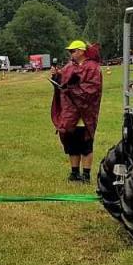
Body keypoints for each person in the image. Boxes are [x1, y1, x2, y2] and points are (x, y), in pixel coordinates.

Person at [50, 41, 103, 182]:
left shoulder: (93, 68)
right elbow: (63, 82)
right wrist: (56, 76)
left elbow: (92, 89)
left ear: (81, 51)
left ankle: (86, 174)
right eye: (70, 52)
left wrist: (72, 89)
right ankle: (74, 173)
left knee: (85, 144)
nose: (71, 54)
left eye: (73, 51)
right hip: (70, 112)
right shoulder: (69, 67)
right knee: (71, 142)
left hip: (85, 113)